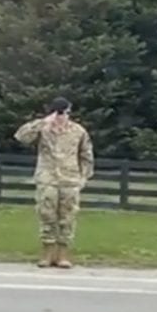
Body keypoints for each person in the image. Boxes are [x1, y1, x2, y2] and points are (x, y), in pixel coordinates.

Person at [14, 97, 94, 268]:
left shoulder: (78, 131)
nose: (62, 116)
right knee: (46, 215)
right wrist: (43, 122)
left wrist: (83, 178)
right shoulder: (43, 129)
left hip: (70, 180)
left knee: (68, 217)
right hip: (48, 179)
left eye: (65, 113)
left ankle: (63, 255)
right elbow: (21, 137)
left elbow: (86, 155)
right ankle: (48, 253)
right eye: (59, 112)